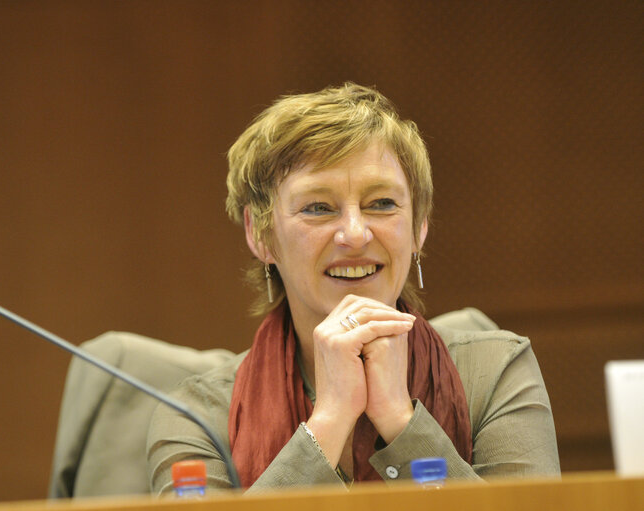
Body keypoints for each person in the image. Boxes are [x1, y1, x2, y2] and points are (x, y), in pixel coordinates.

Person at [146, 83, 560, 493]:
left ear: (419, 227)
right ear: (261, 234)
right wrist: (329, 421)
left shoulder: (496, 372)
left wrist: (401, 422)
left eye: (381, 203)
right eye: (318, 208)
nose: (356, 234)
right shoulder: (194, 415)